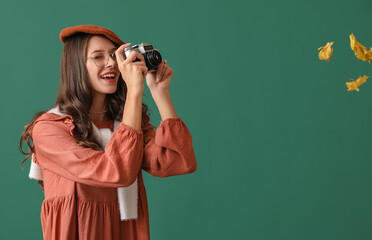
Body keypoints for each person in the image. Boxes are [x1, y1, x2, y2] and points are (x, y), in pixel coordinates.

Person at [19, 25, 197, 240]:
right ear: (76, 66)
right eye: (98, 57)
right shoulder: (50, 128)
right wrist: (134, 93)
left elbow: (176, 161)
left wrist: (160, 93)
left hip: (126, 231)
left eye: (115, 55)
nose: (111, 62)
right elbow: (115, 171)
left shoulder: (125, 122)